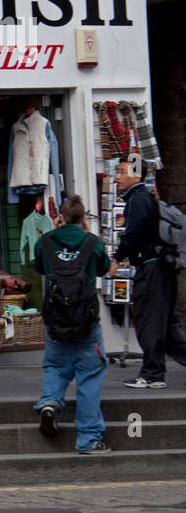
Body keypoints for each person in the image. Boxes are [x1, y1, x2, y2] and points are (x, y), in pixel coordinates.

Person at [35, 195, 111, 453]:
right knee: (89, 376)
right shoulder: (93, 243)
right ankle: (89, 439)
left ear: (59, 219)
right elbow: (103, 268)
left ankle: (49, 402)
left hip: (56, 320)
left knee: (56, 366)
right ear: (84, 219)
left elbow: (40, 268)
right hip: (86, 323)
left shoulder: (44, 242)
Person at [113, 155, 186, 389]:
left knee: (149, 322)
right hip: (162, 269)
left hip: (152, 270)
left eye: (122, 172)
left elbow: (132, 233)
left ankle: (152, 375)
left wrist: (116, 258)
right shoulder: (145, 198)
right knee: (166, 325)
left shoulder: (138, 199)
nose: (117, 177)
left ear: (136, 174)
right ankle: (154, 373)